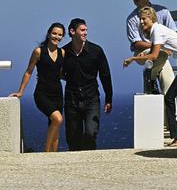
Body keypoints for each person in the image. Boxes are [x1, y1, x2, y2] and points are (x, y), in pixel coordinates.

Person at [124, 6, 177, 147]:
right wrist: (143, 55)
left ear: (152, 18)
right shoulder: (156, 31)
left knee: (170, 97)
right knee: (176, 98)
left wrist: (132, 59)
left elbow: (154, 56)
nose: (141, 22)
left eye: (144, 19)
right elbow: (154, 51)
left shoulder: (157, 31)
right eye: (140, 20)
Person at [10, 22, 66, 152]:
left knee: (56, 129)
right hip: (42, 94)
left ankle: (53, 158)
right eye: (54, 33)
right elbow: (29, 71)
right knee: (58, 119)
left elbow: (60, 73)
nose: (57, 37)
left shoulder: (62, 52)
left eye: (60, 35)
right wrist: (20, 91)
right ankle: (46, 152)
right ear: (49, 34)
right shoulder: (39, 51)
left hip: (57, 94)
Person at [62, 18, 113, 151]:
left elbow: (105, 75)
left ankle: (90, 161)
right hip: (71, 99)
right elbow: (57, 72)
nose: (85, 33)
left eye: (86, 30)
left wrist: (109, 98)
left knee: (91, 133)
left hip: (91, 98)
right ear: (72, 31)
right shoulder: (63, 52)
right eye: (82, 30)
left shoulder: (96, 51)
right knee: (73, 138)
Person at [126, 0, 175, 94]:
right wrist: (159, 47)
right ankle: (151, 78)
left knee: (169, 85)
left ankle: (154, 83)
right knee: (160, 55)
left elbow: (173, 33)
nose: (135, 4)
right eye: (134, 1)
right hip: (142, 52)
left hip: (161, 52)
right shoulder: (132, 19)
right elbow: (137, 43)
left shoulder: (163, 12)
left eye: (137, 1)